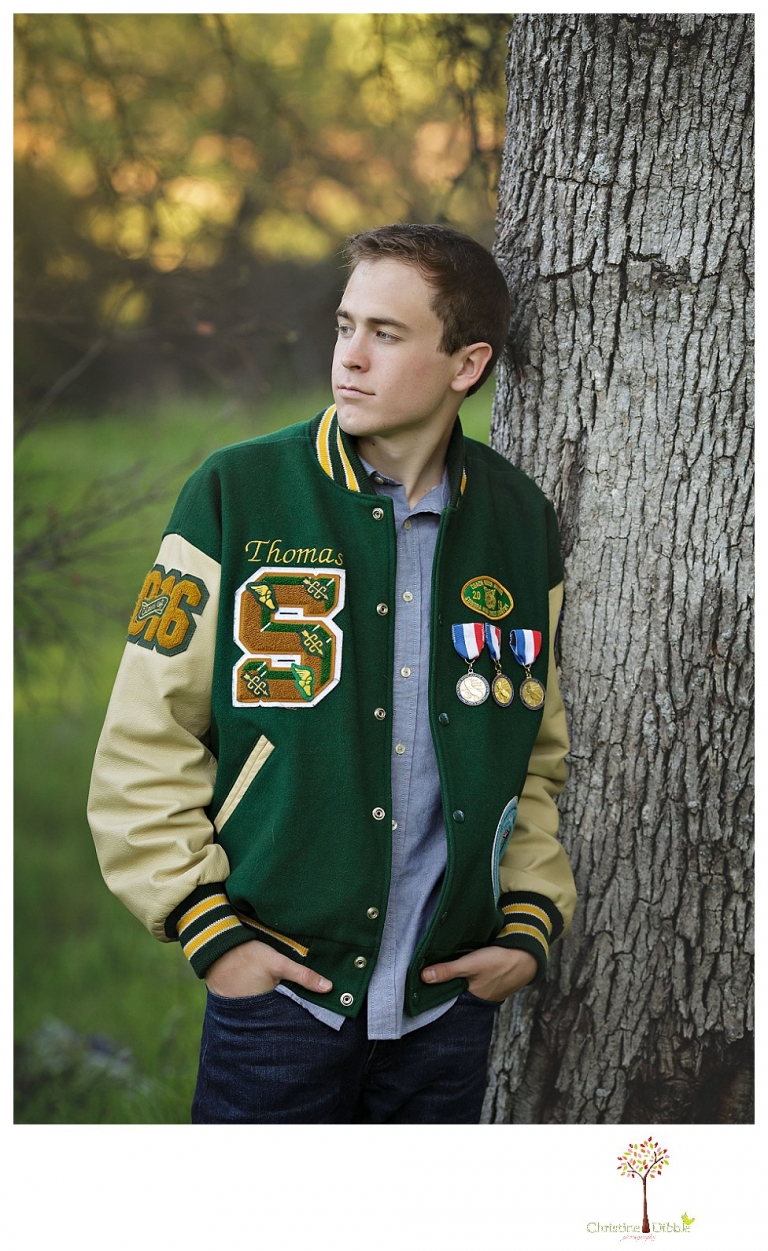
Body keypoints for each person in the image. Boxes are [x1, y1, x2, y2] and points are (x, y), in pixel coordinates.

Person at [88, 222, 577, 1124]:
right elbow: (145, 738)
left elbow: (534, 756)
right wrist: (210, 930)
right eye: (345, 326)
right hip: (278, 993)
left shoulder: (519, 523)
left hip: (446, 1006)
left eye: (385, 335)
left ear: (466, 364)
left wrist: (530, 922)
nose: (349, 357)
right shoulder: (238, 492)